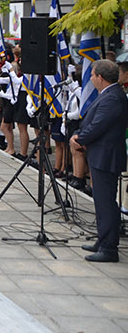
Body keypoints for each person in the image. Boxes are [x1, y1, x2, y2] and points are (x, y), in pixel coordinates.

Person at [70, 60, 128, 262]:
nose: (91, 78)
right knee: (101, 202)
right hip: (100, 154)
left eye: (93, 75)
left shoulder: (113, 98)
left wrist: (80, 139)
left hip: (106, 156)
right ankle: (103, 239)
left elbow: (99, 125)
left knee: (106, 203)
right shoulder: (109, 94)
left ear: (100, 78)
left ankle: (109, 248)